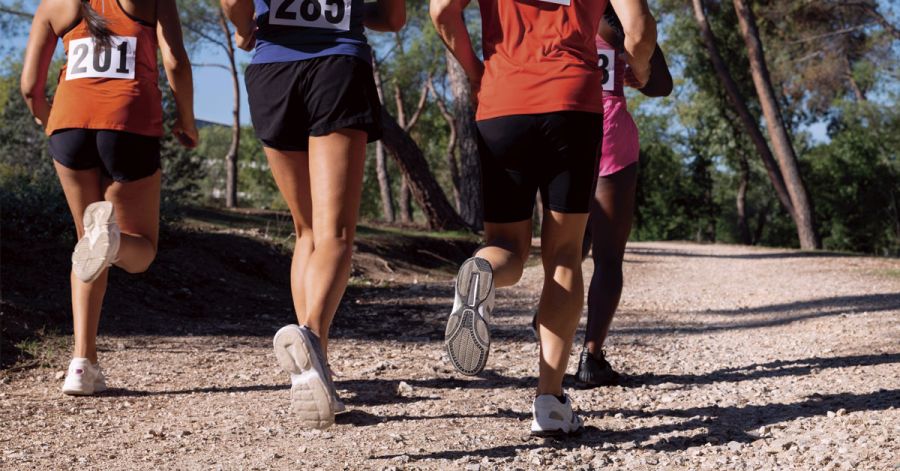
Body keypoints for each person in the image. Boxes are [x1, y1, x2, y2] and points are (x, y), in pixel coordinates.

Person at [431, 0, 658, 436]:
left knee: (507, 247)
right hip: (572, 103)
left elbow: (441, 10)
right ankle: (550, 403)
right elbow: (640, 29)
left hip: (502, 102)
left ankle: (480, 271)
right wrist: (640, 68)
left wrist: (476, 71)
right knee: (564, 255)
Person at [221, 0, 405, 429]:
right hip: (337, 64)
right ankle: (312, 344)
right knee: (335, 232)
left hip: (272, 70)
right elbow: (394, 18)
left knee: (305, 231)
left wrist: (244, 25)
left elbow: (232, 2)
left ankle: (310, 364)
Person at [20, 0, 197, 396]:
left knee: (87, 243)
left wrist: (54, 123)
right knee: (141, 250)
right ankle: (113, 240)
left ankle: (82, 366)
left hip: (69, 123)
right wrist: (186, 118)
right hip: (129, 121)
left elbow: (30, 88)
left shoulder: (54, 5)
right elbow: (176, 61)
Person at [575, 5, 672, 388]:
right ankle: (592, 357)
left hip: (562, 130)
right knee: (608, 257)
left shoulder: (550, 12)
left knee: (568, 248)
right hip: (610, 134)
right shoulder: (616, 19)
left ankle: (548, 333)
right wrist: (640, 69)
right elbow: (661, 84)